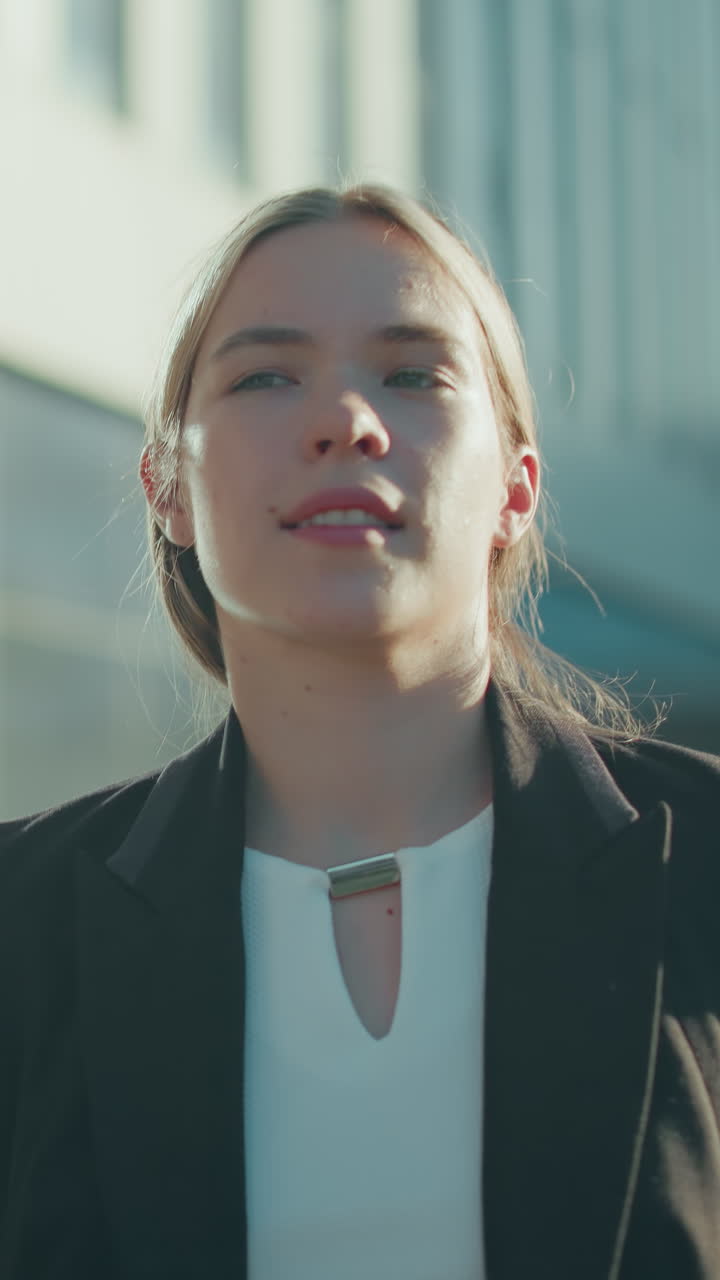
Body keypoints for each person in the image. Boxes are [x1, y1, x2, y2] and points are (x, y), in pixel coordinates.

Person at [1, 184, 718, 1280]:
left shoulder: (704, 862)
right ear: (168, 488)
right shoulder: (21, 923)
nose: (346, 420)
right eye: (266, 376)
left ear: (517, 488)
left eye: (413, 374)